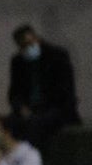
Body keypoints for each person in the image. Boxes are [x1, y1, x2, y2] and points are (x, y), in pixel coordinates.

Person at [8, 23, 80, 151]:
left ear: (37, 39)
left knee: (38, 122)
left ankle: (32, 158)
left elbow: (65, 91)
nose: (28, 48)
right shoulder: (18, 62)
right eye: (23, 46)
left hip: (56, 108)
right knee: (10, 122)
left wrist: (41, 109)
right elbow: (14, 93)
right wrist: (21, 107)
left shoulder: (58, 56)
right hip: (30, 109)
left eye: (30, 43)